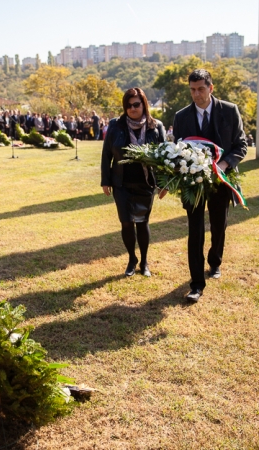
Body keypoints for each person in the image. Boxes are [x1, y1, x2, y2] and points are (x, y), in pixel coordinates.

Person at [172, 69, 247, 302]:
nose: (196, 94)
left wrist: (223, 165)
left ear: (211, 88)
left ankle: (215, 262)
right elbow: (178, 151)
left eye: (201, 89)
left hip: (220, 180)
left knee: (218, 225)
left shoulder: (230, 111)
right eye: (192, 90)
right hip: (192, 183)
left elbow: (241, 145)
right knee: (194, 231)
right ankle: (196, 284)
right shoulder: (181, 117)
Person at [101, 87, 168, 277]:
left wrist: (165, 183)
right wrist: (105, 180)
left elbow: (164, 157)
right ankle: (132, 259)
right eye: (128, 105)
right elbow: (106, 155)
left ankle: (144, 261)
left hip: (146, 183)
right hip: (121, 183)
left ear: (144, 104)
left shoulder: (156, 127)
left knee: (142, 222)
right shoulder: (116, 125)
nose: (132, 108)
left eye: (136, 104)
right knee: (126, 223)